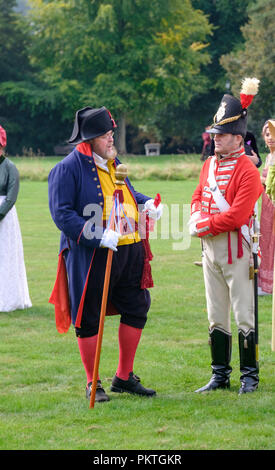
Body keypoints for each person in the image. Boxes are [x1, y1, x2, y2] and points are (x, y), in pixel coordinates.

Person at [48, 106, 163, 403]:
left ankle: (124, 378)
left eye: (111, 133)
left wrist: (146, 202)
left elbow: (126, 193)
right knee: (88, 316)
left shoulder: (114, 161)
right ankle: (92, 382)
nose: (112, 138)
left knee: (137, 306)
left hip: (129, 248)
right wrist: (97, 235)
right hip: (92, 255)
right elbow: (62, 215)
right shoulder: (66, 169)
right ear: (90, 139)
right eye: (107, 134)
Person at [188, 78, 263, 395]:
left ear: (238, 138)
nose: (215, 139)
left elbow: (237, 215)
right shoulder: (207, 165)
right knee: (215, 314)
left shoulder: (249, 170)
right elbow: (197, 196)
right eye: (215, 134)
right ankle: (220, 375)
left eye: (222, 135)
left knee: (244, 314)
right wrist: (194, 214)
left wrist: (201, 225)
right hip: (211, 252)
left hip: (238, 251)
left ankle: (250, 376)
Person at [0, 125, 32, 312]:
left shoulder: (10, 168)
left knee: (6, 255)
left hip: (5, 218)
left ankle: (8, 298)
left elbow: (11, 197)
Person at [258, 119, 275, 295]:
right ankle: (265, 281)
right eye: (267, 134)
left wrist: (259, 179)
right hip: (266, 202)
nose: (270, 138)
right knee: (266, 237)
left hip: (273, 200)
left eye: (273, 134)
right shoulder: (269, 156)